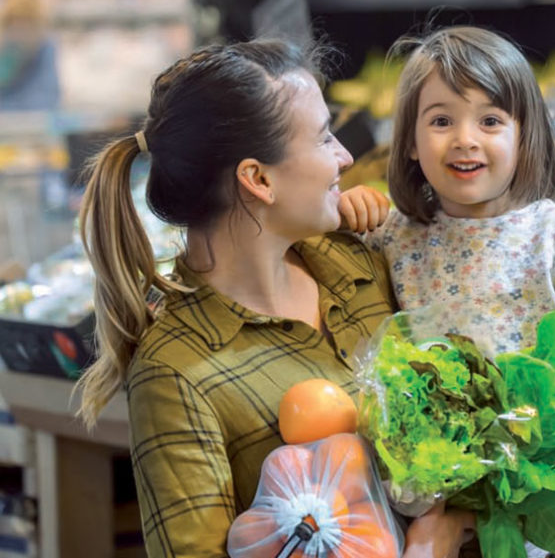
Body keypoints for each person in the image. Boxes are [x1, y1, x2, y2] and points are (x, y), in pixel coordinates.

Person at [76, 39, 473, 558]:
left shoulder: (357, 264)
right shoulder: (175, 374)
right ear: (258, 179)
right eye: (324, 137)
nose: (346, 157)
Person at [339, 26, 555, 557]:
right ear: (408, 141)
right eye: (440, 120)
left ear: (525, 137)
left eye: (491, 120)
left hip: (544, 484)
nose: (465, 138)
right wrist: (351, 209)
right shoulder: (396, 234)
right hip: (442, 494)